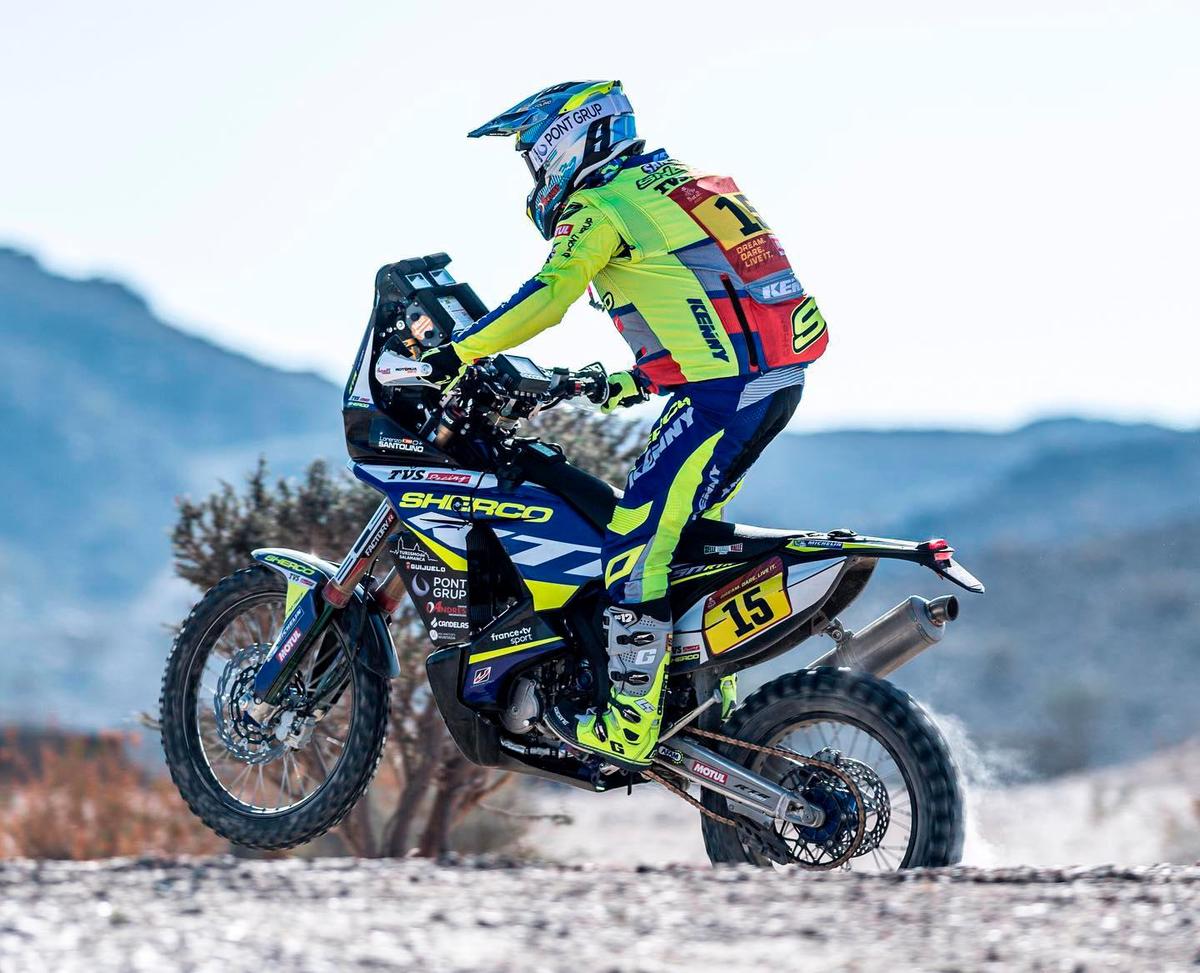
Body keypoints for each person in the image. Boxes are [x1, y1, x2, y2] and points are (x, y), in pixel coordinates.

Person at [421, 80, 829, 769]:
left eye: (532, 155)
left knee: (633, 543)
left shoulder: (600, 204)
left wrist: (458, 349)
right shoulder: (680, 183)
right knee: (685, 548)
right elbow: (709, 293)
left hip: (721, 397)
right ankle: (711, 707)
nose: (534, 175)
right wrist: (624, 380)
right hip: (764, 381)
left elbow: (549, 296)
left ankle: (628, 725)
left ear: (568, 142)